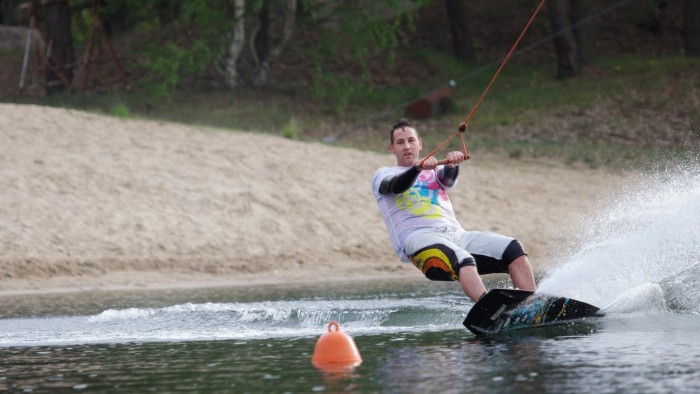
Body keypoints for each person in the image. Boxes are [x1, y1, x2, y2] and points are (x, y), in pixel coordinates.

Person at [371, 119, 536, 302]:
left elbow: (448, 180)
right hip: (418, 240)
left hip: (456, 235)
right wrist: (417, 169)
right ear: (392, 148)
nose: (407, 146)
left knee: (513, 249)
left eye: (411, 140)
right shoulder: (384, 174)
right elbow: (395, 186)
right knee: (463, 259)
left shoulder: (436, 170)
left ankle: (529, 303)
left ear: (420, 143)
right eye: (400, 142)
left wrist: (452, 165)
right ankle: (488, 309)